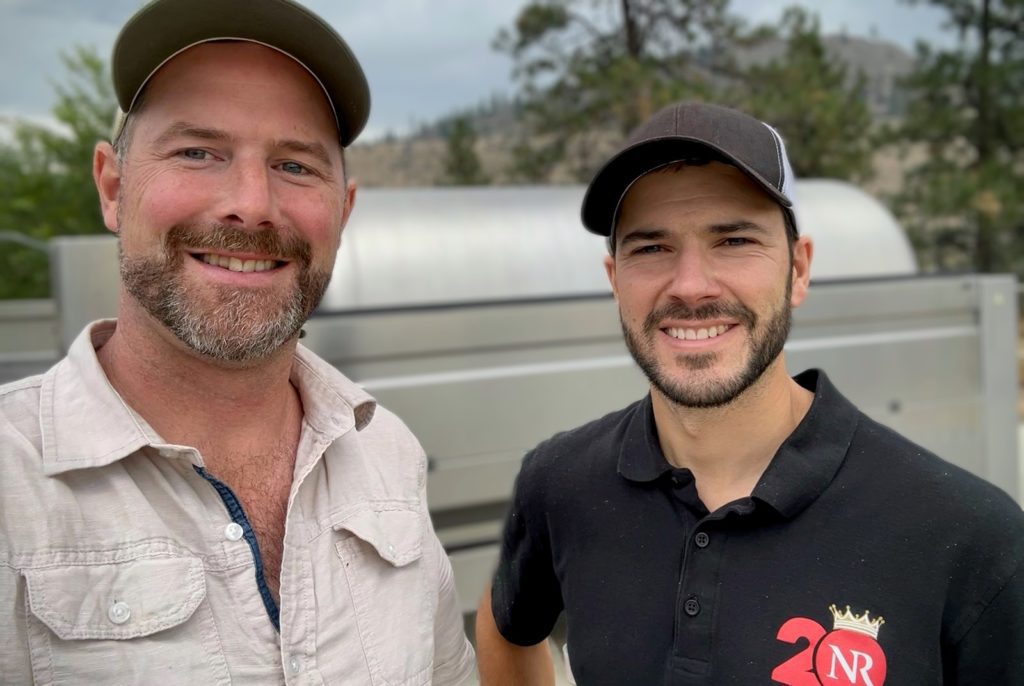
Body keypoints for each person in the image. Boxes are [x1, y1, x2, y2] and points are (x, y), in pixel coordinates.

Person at [0, 0, 475, 682]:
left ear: (342, 213)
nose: (252, 203)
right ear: (111, 186)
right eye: (198, 152)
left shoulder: (386, 453)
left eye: (296, 166)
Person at [476, 101, 1024, 685]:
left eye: (734, 240)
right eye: (651, 247)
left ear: (799, 270)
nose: (689, 286)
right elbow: (504, 626)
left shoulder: (969, 537)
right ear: (615, 281)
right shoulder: (559, 483)